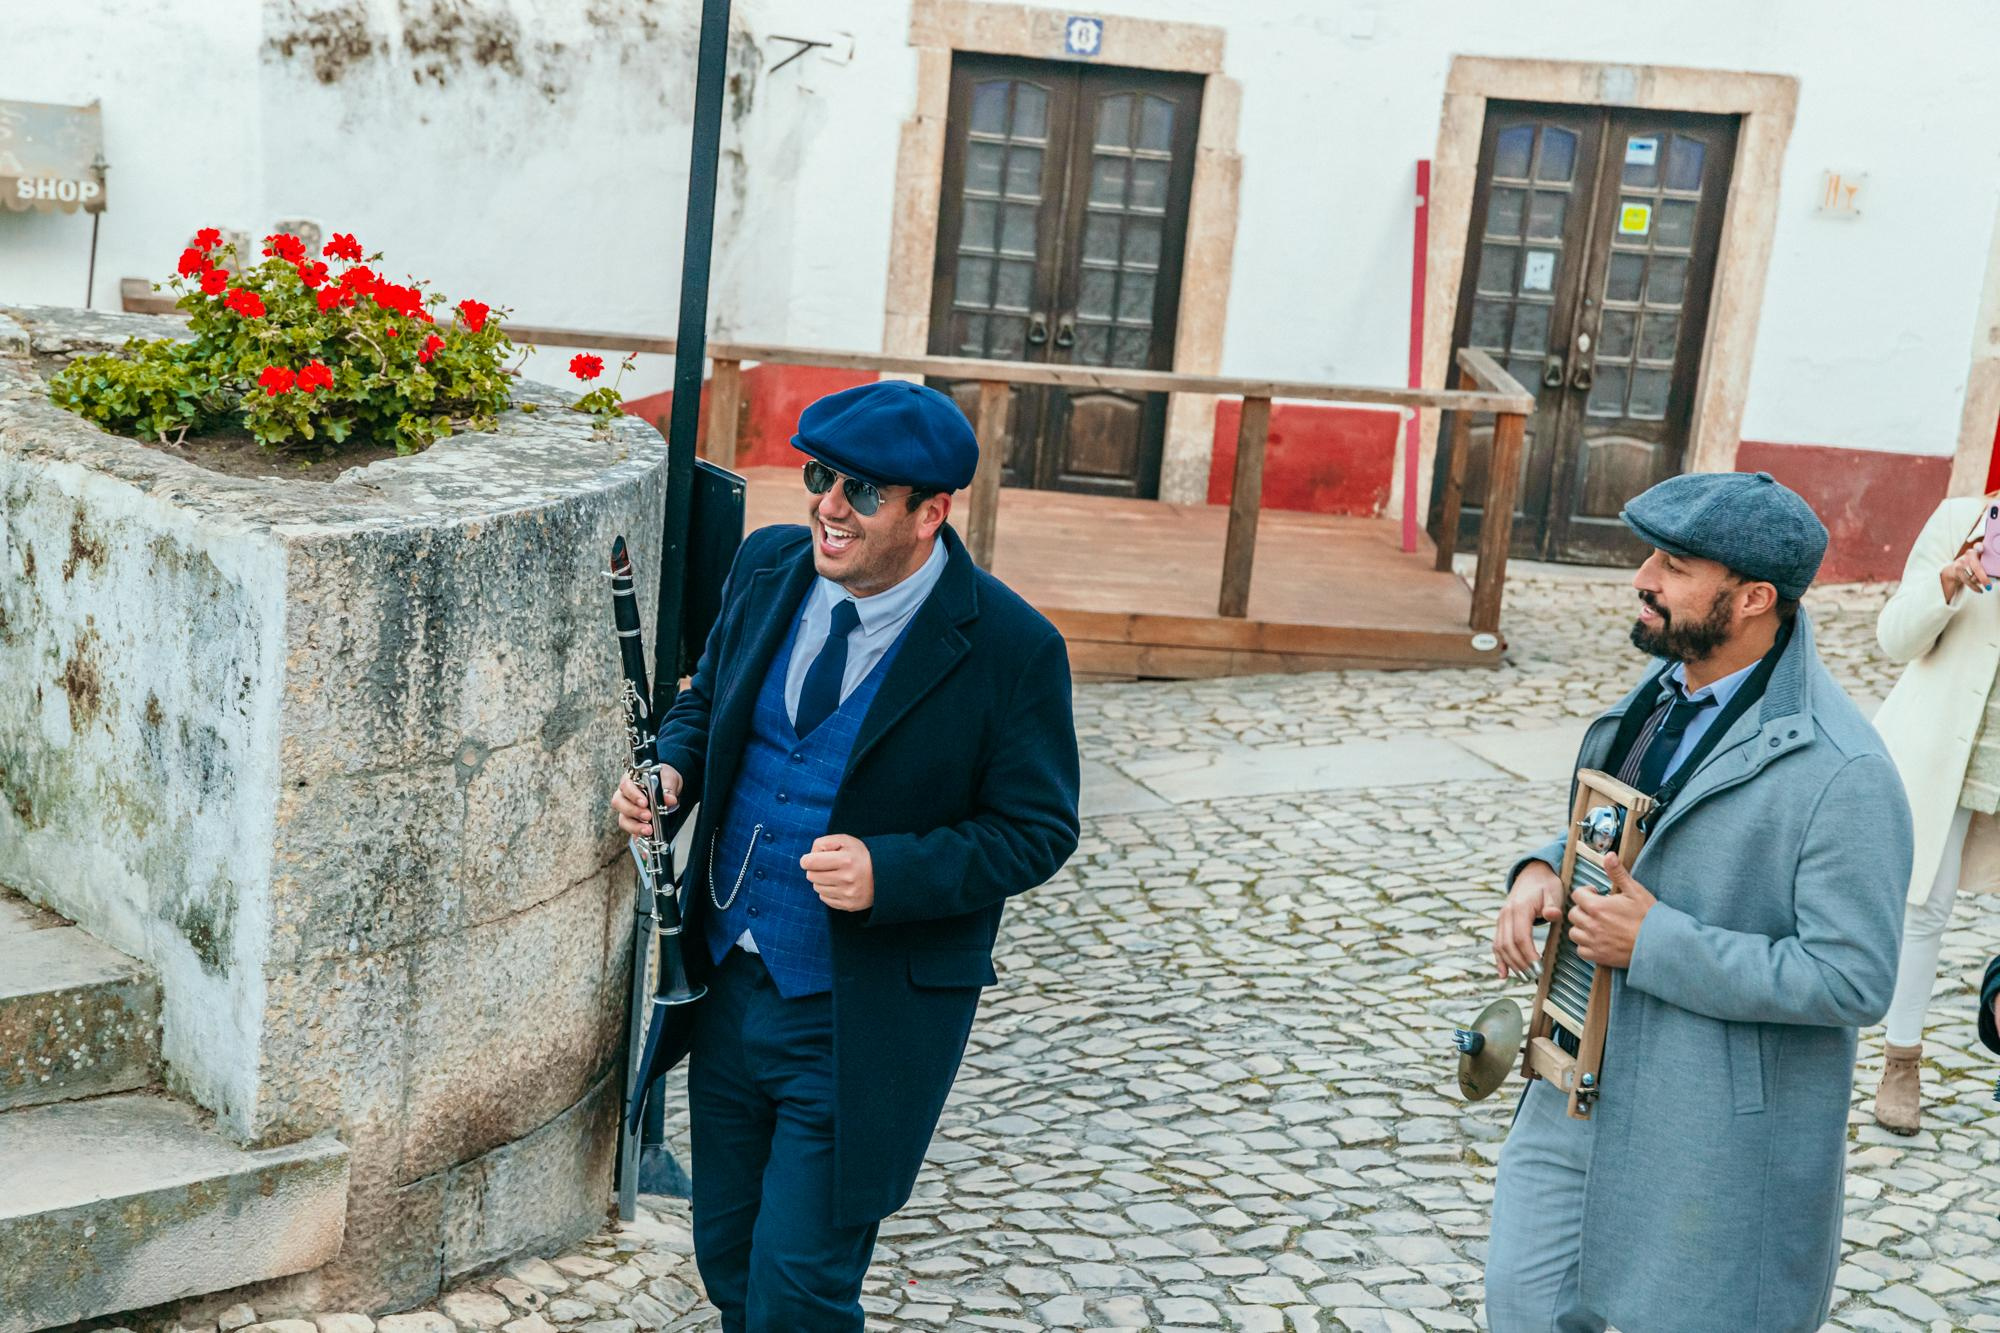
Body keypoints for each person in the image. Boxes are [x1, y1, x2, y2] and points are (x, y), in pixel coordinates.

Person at [610, 380, 1081, 1331]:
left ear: (930, 511)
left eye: (861, 491)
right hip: (730, 984)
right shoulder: (769, 565)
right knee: (730, 1256)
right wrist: (673, 772)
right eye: (820, 474)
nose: (828, 504)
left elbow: (1038, 829)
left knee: (801, 1290)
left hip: (858, 1019)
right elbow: (710, 700)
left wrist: (890, 871)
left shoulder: (1012, 648)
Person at [1483, 471, 1912, 1333]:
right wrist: (1542, 869)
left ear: (1754, 598)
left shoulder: (1846, 774)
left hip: (1708, 1135)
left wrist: (1656, 944)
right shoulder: (1655, 702)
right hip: (1574, 1088)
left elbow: (1853, 979)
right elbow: (1622, 831)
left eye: (1674, 564)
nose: (1643, 577)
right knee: (1521, 1306)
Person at [1869, 495, 2000, 1130]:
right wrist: (1947, 580)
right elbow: (1894, 639)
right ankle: (1902, 1061)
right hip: (1949, 745)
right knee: (1926, 906)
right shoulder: (1962, 520)